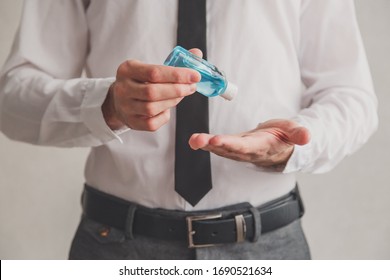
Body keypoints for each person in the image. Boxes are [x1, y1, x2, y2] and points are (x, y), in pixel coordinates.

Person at [0, 0, 377, 260]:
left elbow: (350, 95)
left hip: (267, 245)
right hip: (116, 246)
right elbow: (13, 100)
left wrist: (295, 143)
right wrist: (107, 104)